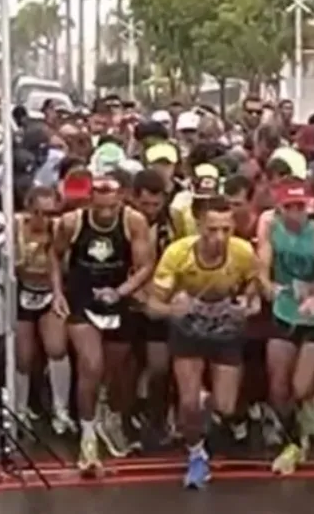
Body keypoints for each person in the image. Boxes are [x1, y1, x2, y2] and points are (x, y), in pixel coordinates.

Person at [148, 196, 259, 489]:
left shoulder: (243, 252)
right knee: (188, 402)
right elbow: (152, 305)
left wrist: (248, 304)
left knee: (224, 406)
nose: (219, 237)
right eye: (212, 229)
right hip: (189, 331)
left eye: (226, 229)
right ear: (199, 226)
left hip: (225, 331)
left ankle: (207, 405)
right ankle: (196, 456)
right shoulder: (177, 254)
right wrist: (173, 309)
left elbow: (253, 289)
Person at [51, 176, 156, 475]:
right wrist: (57, 292)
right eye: (101, 208)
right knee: (91, 365)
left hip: (116, 298)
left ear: (121, 200)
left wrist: (122, 291)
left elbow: (147, 264)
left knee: (112, 372)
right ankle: (87, 438)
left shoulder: (133, 221)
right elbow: (55, 255)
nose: (107, 213)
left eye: (112, 207)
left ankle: (106, 415)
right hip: (82, 298)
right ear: (89, 202)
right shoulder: (72, 222)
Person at [256, 179, 314, 475]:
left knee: (301, 387)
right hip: (284, 309)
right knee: (278, 386)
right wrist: (268, 287)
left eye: (300, 207)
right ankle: (293, 441)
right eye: (288, 208)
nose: (295, 214)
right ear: (279, 208)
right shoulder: (268, 222)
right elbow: (262, 265)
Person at [12, 186, 74, 435]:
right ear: (29, 209)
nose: (44, 219)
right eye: (39, 212)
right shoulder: (14, 227)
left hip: (50, 292)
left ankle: (61, 409)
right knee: (23, 356)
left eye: (50, 213)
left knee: (56, 348)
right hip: (21, 292)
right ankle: (20, 408)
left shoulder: (61, 228)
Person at [130, 169, 177, 451]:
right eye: (144, 204)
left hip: (159, 300)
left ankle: (157, 419)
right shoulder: (124, 221)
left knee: (159, 366)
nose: (150, 210)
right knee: (129, 366)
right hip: (128, 300)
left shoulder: (170, 225)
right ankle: (126, 415)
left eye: (155, 205)